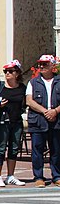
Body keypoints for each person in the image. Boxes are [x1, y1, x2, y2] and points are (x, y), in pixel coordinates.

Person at [0, 60, 27, 187]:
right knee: (1, 148)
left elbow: (25, 102)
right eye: (6, 71)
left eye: (11, 71)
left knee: (14, 148)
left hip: (16, 121)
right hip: (2, 122)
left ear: (17, 73)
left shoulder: (22, 87)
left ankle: (10, 175)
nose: (7, 74)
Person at [25, 54, 60, 187]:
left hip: (56, 121)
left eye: (45, 64)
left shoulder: (58, 81)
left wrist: (55, 111)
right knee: (37, 150)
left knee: (56, 150)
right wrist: (45, 112)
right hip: (38, 121)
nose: (41, 67)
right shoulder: (33, 82)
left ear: (52, 66)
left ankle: (56, 176)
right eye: (40, 64)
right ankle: (38, 177)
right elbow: (29, 100)